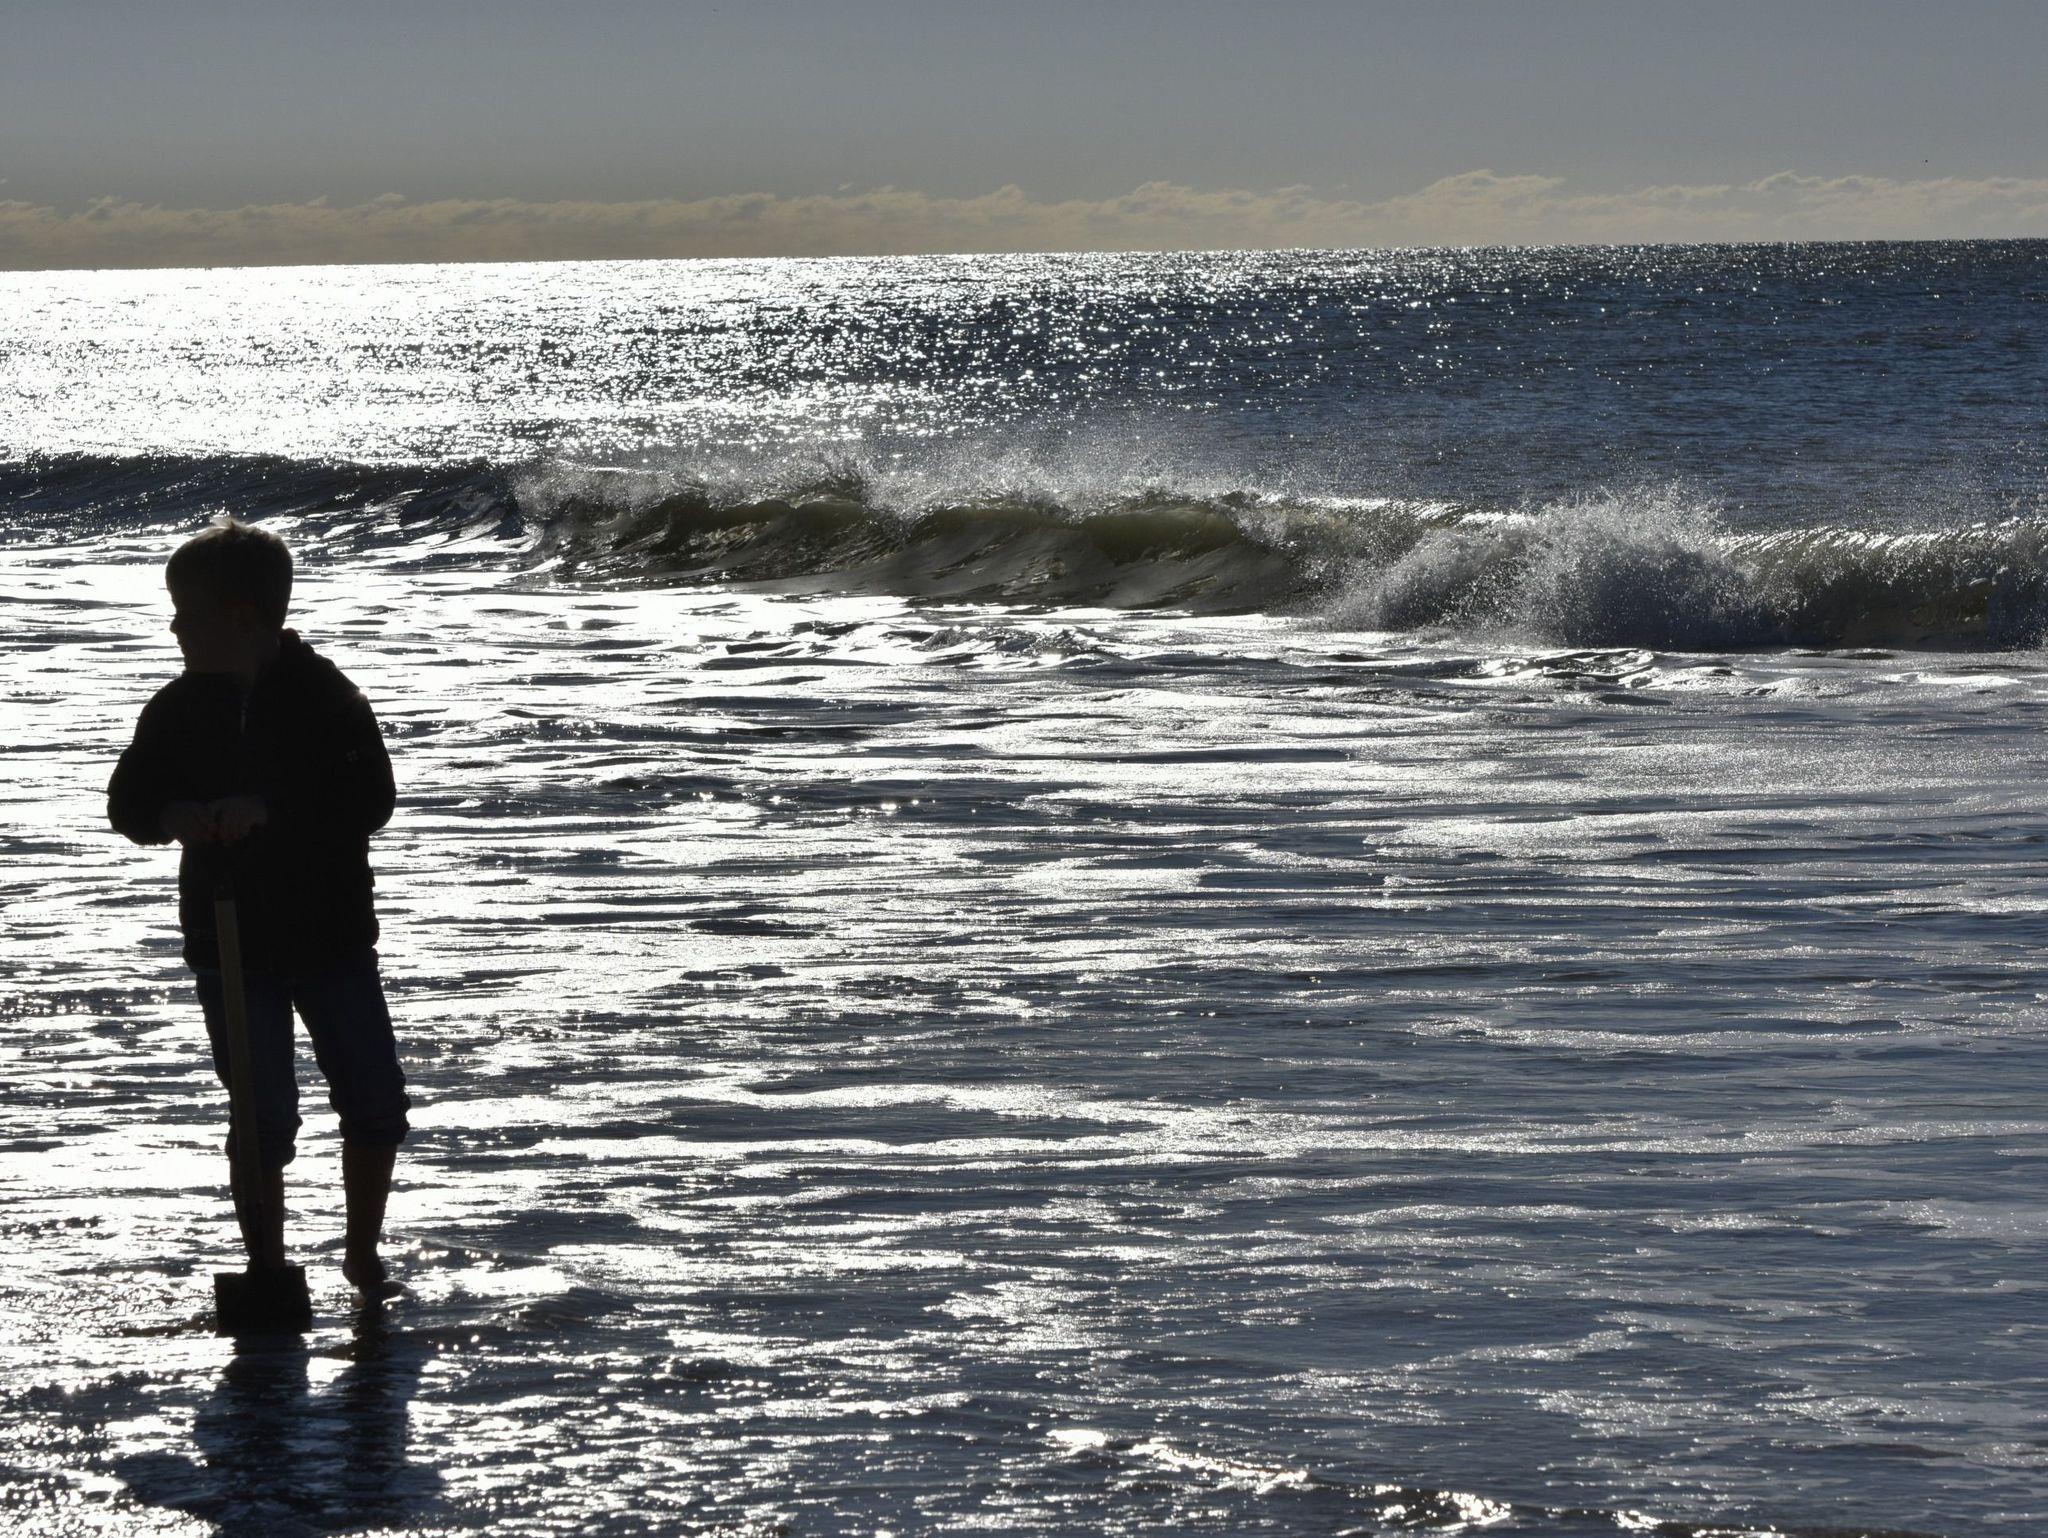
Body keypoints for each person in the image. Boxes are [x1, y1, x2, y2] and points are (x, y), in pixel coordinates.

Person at [108, 517, 409, 1298]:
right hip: (229, 942)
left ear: (241, 618)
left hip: (331, 937)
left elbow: (369, 799)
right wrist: (169, 813)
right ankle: (267, 1269)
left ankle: (362, 1254)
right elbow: (128, 802)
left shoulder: (327, 696)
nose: (175, 628)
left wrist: (269, 809)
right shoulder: (176, 708)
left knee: (374, 1100)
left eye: (187, 613)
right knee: (260, 1117)